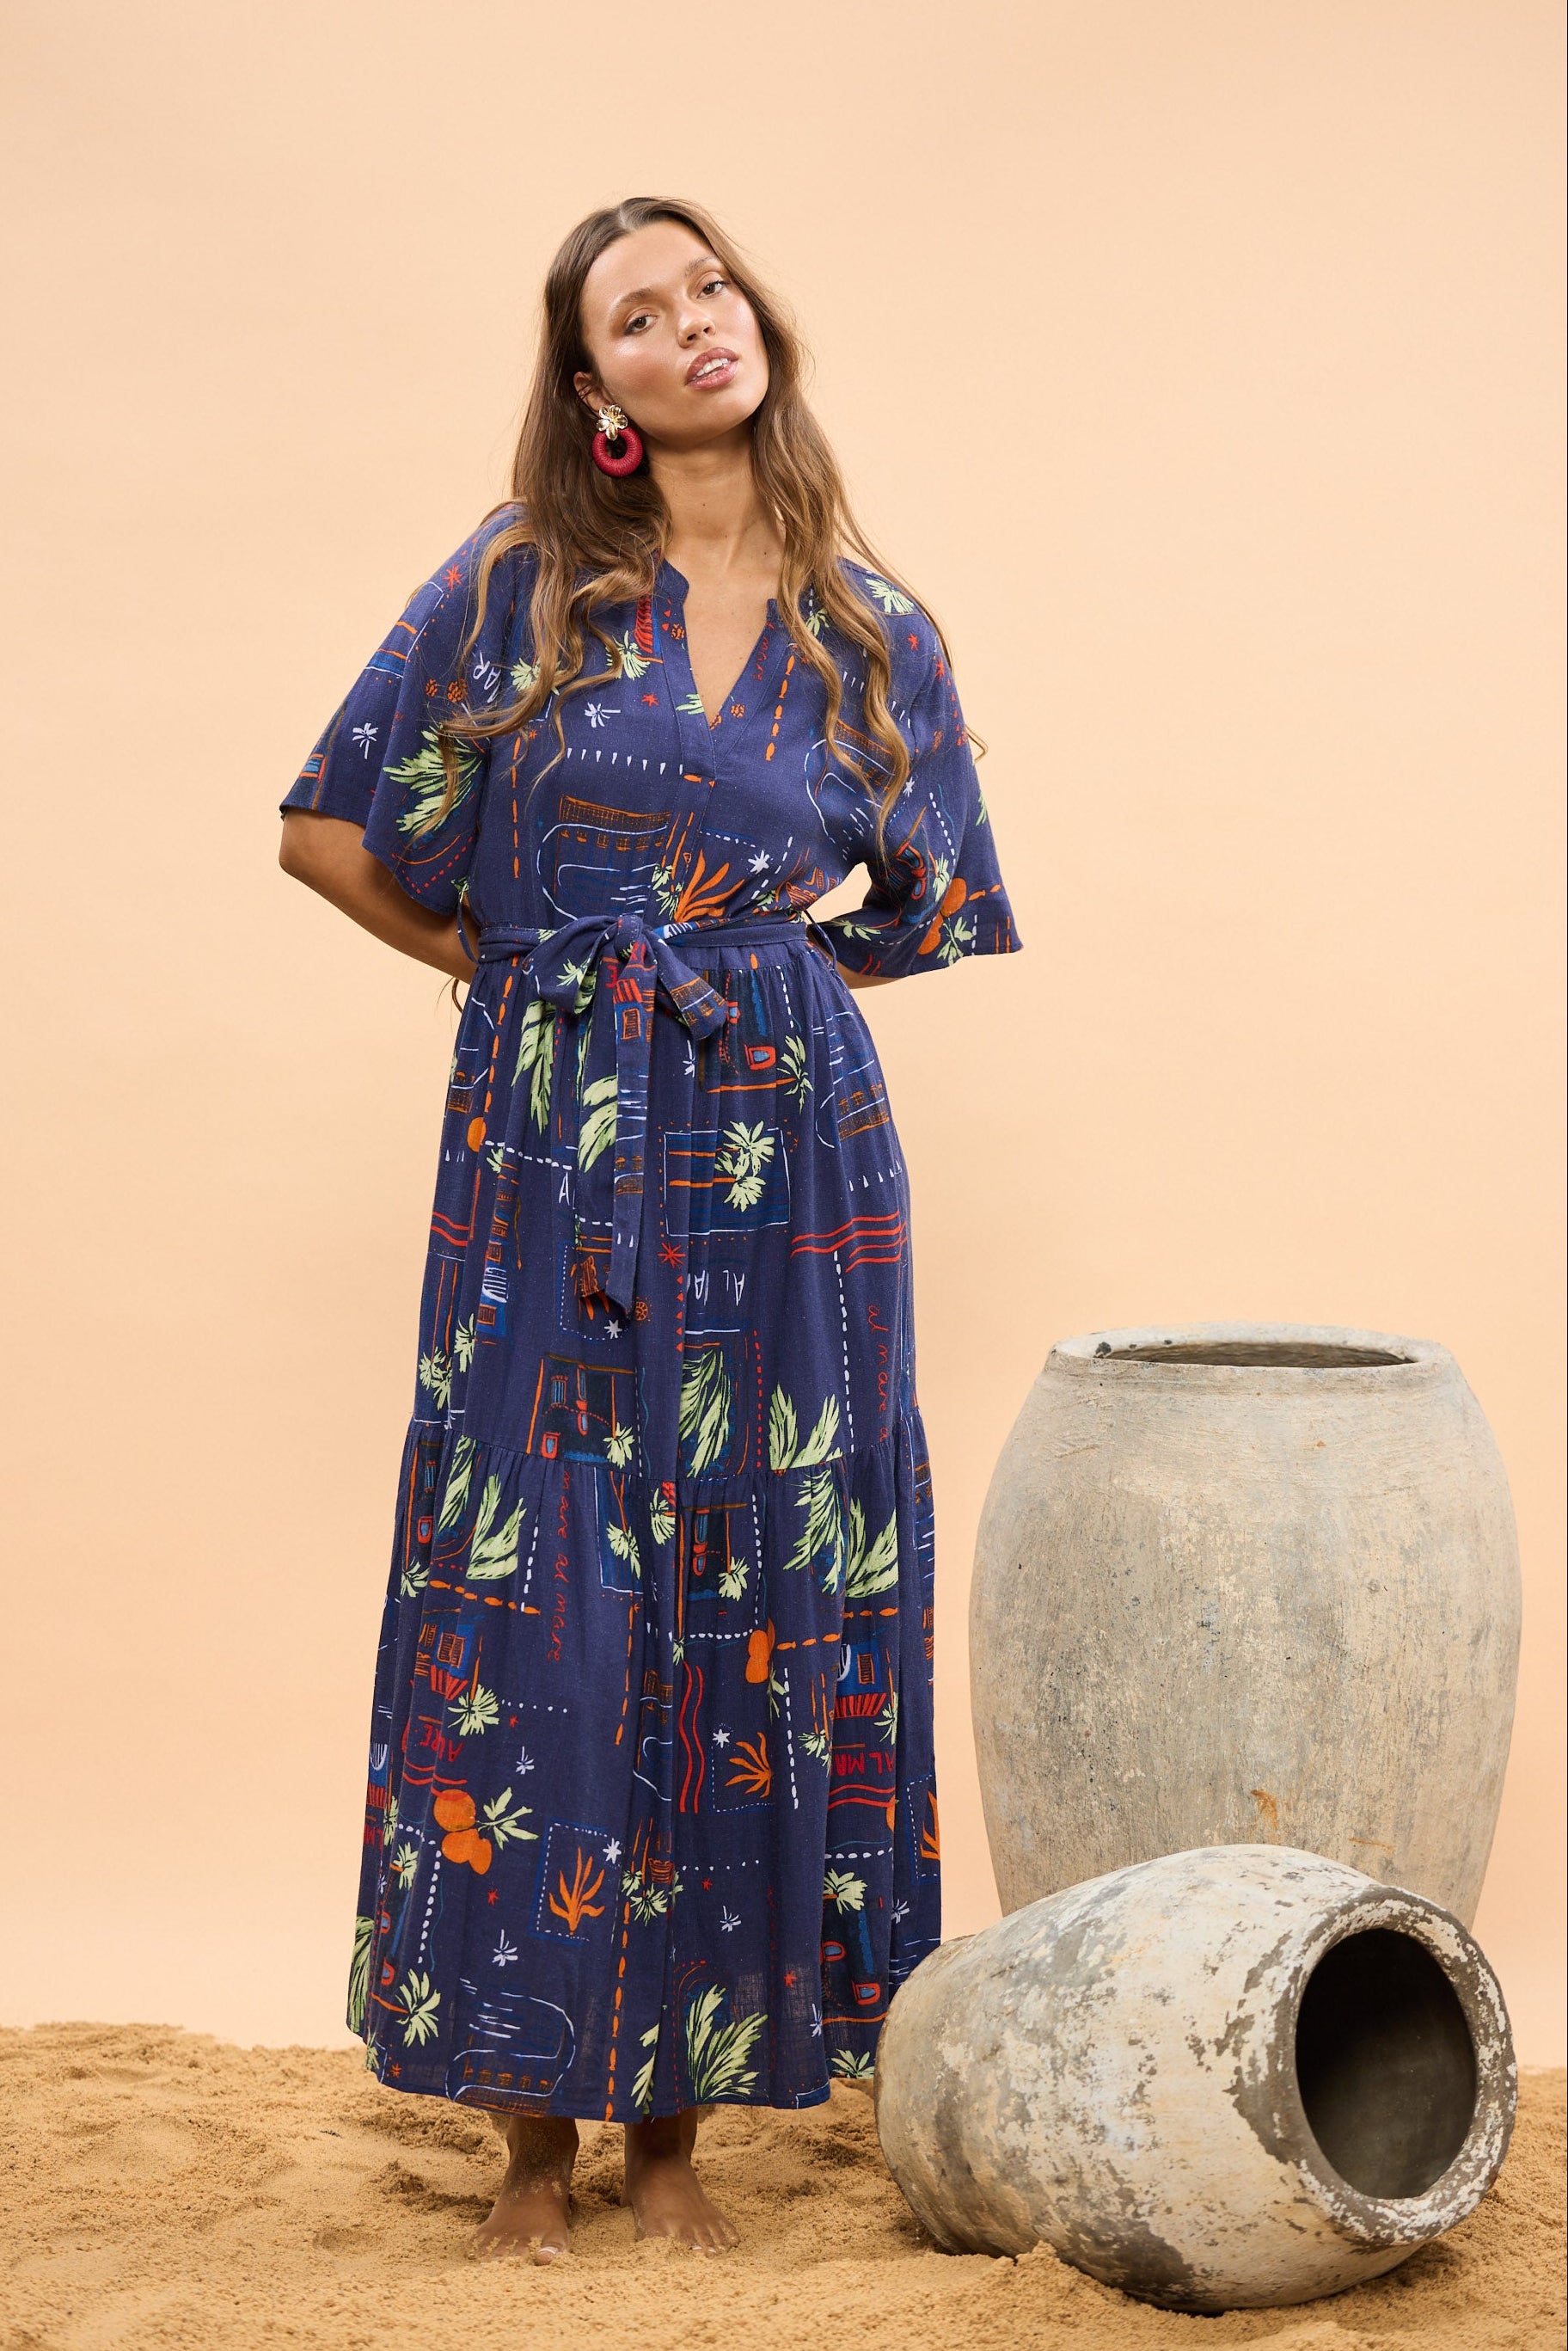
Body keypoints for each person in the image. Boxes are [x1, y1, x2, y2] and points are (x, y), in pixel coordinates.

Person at [277, 194, 1022, 2263]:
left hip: (791, 1169)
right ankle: (530, 2137)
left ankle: (684, 2123)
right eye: (639, 312)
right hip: (551, 1137)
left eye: (710, 286)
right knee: (545, 1585)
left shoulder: (875, 629)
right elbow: (329, 823)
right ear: (593, 388)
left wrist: (746, 993)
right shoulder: (521, 589)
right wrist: (518, 970)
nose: (693, 324)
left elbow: (931, 902)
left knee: (757, 1576)